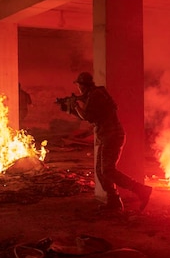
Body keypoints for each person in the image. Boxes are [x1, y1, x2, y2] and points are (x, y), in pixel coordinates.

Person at [65, 71, 152, 212]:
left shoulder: (95, 95)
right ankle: (114, 202)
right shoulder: (94, 94)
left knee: (107, 170)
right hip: (107, 136)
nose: (78, 89)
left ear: (82, 85)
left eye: (79, 85)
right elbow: (89, 115)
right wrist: (72, 109)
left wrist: (75, 106)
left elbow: (88, 116)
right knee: (100, 171)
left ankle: (141, 190)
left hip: (112, 136)